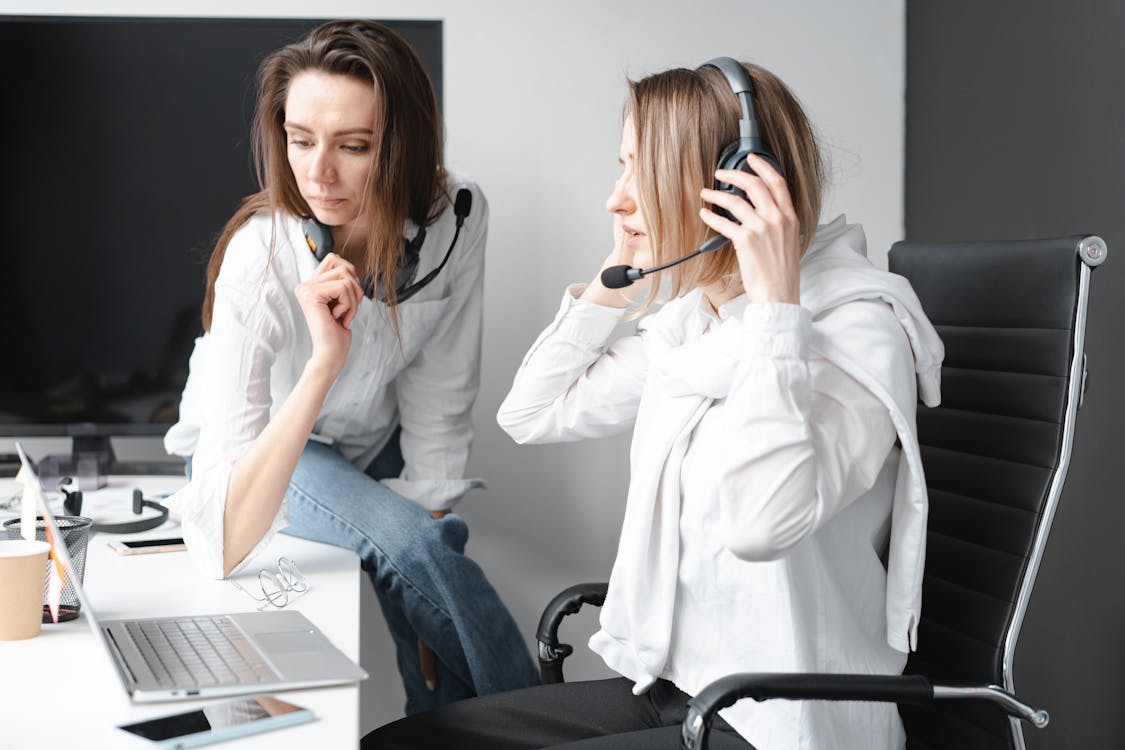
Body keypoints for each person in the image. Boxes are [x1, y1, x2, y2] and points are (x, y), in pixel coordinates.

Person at [364, 58, 944, 749]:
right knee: (405, 743)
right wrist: (616, 280)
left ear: (736, 184)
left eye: (641, 172)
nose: (615, 197)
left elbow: (761, 523)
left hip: (784, 720)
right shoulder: (704, 322)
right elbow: (533, 412)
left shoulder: (853, 332)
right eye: (621, 168)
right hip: (685, 690)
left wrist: (776, 310)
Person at [162, 20, 539, 715]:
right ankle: (551, 728)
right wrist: (322, 365)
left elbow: (441, 393)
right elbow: (219, 537)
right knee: (413, 546)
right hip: (266, 450)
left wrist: (426, 580)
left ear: (403, 145)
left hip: (372, 438)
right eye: (300, 140)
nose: (318, 172)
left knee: (426, 595)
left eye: (354, 146)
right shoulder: (260, 254)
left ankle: (460, 726)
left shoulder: (457, 218)